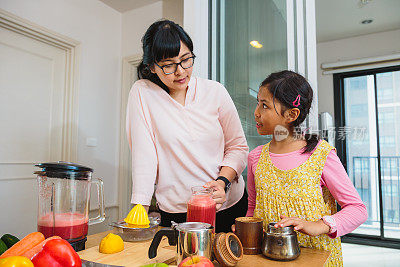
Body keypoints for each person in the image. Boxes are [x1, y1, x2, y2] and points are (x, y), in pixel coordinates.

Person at [126, 20, 248, 233]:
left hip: (228, 205)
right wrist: (140, 208)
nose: (180, 71)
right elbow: (144, 156)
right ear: (152, 66)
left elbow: (237, 147)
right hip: (178, 211)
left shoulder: (215, 92)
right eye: (168, 65)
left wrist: (222, 182)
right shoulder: (143, 93)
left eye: (186, 60)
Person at [246, 70, 368, 266]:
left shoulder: (322, 155)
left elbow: (358, 210)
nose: (256, 112)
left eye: (265, 105)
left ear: (291, 114)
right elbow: (253, 209)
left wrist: (319, 226)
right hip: (268, 259)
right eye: (258, 103)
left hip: (318, 258)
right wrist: (246, 230)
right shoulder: (255, 157)